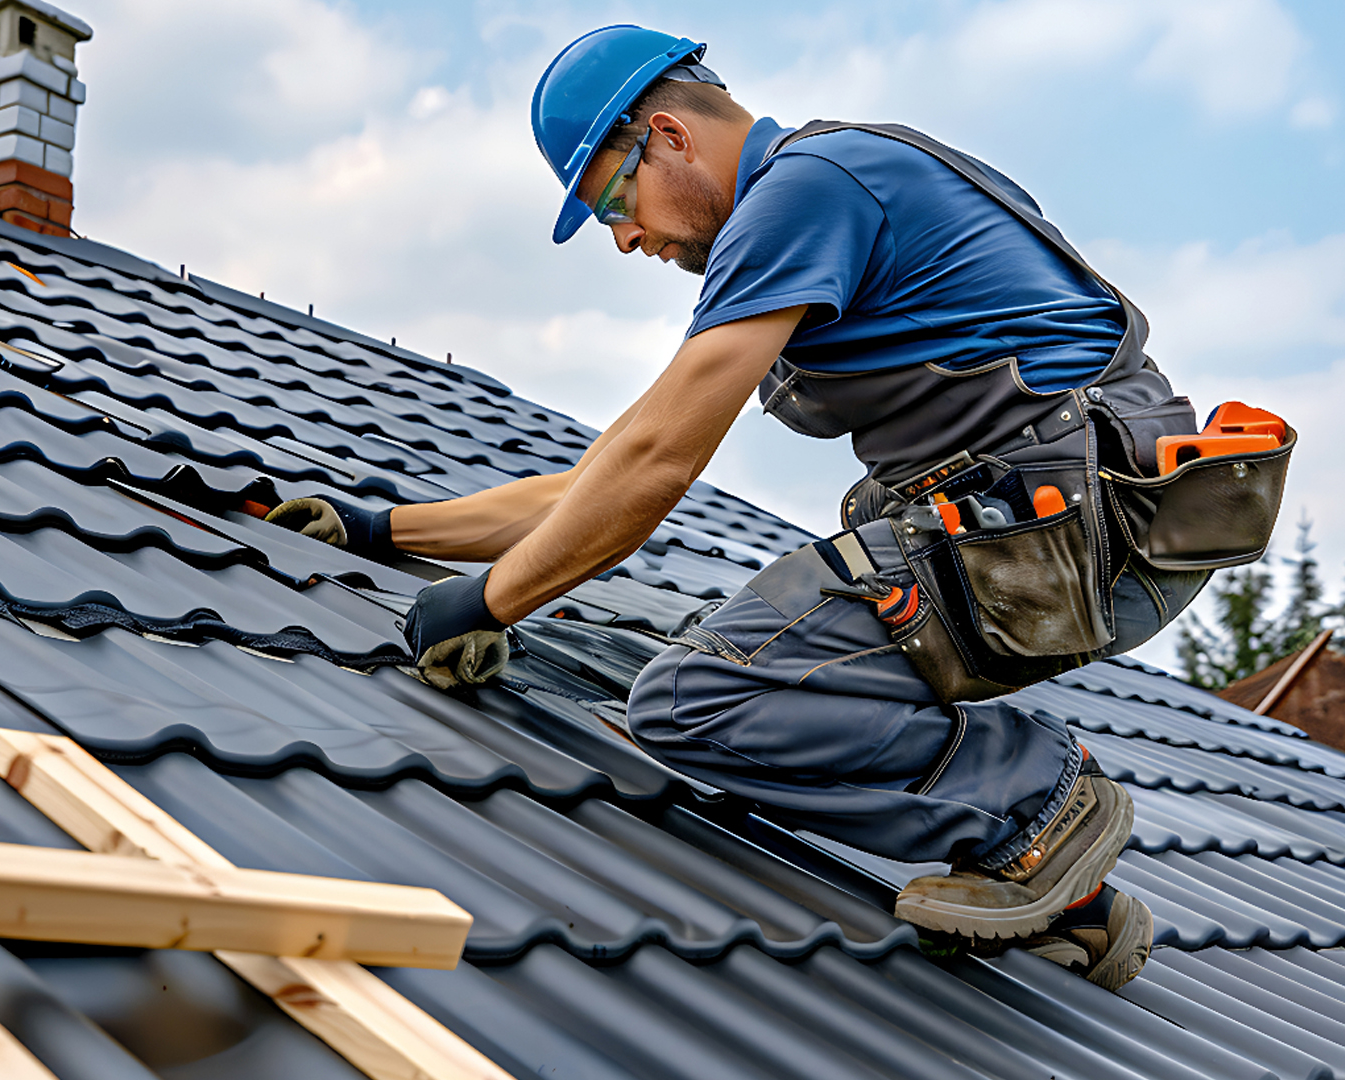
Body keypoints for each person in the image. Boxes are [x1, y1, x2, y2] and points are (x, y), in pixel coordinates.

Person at [265, 26, 1290, 991]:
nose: (624, 239)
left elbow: (655, 468)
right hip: (1074, 536)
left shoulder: (804, 193)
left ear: (666, 134)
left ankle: (1035, 800)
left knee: (692, 698)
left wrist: (487, 603)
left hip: (1061, 529)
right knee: (733, 653)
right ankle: (1074, 903)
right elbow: (610, 470)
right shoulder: (831, 185)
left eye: (613, 200)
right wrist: (381, 530)